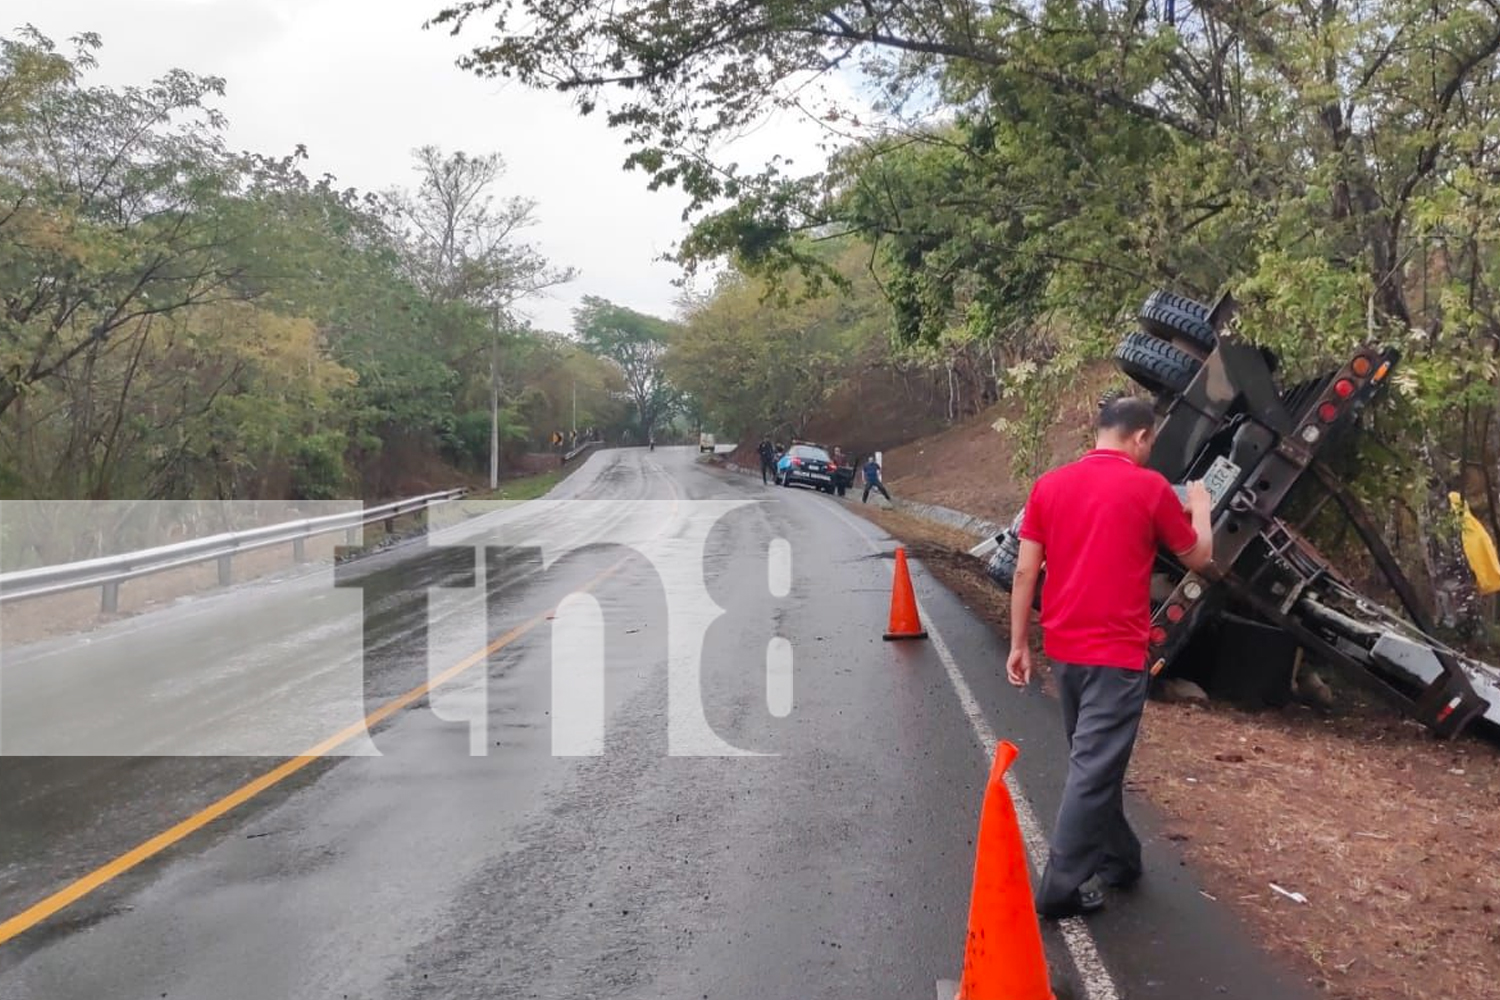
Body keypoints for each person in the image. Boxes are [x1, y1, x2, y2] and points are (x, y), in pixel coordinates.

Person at [1007, 395, 1213, 920]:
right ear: (1142, 437)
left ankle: (1121, 860)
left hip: (1065, 651)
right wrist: (1203, 510)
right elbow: (1200, 557)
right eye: (1151, 442)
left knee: (1094, 759)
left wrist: (1018, 643)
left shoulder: (1049, 486)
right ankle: (1061, 886)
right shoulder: (1148, 488)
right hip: (1117, 656)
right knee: (1093, 766)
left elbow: (1027, 571)